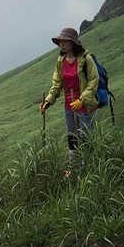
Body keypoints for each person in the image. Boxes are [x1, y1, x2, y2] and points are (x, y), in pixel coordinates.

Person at [39, 27, 100, 176]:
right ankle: (74, 170)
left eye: (65, 41)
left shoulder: (86, 59)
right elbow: (57, 84)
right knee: (72, 138)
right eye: (60, 41)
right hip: (69, 106)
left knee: (86, 139)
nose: (62, 44)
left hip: (85, 107)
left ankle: (90, 170)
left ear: (73, 43)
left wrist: (81, 100)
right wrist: (48, 101)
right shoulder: (61, 61)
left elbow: (93, 81)